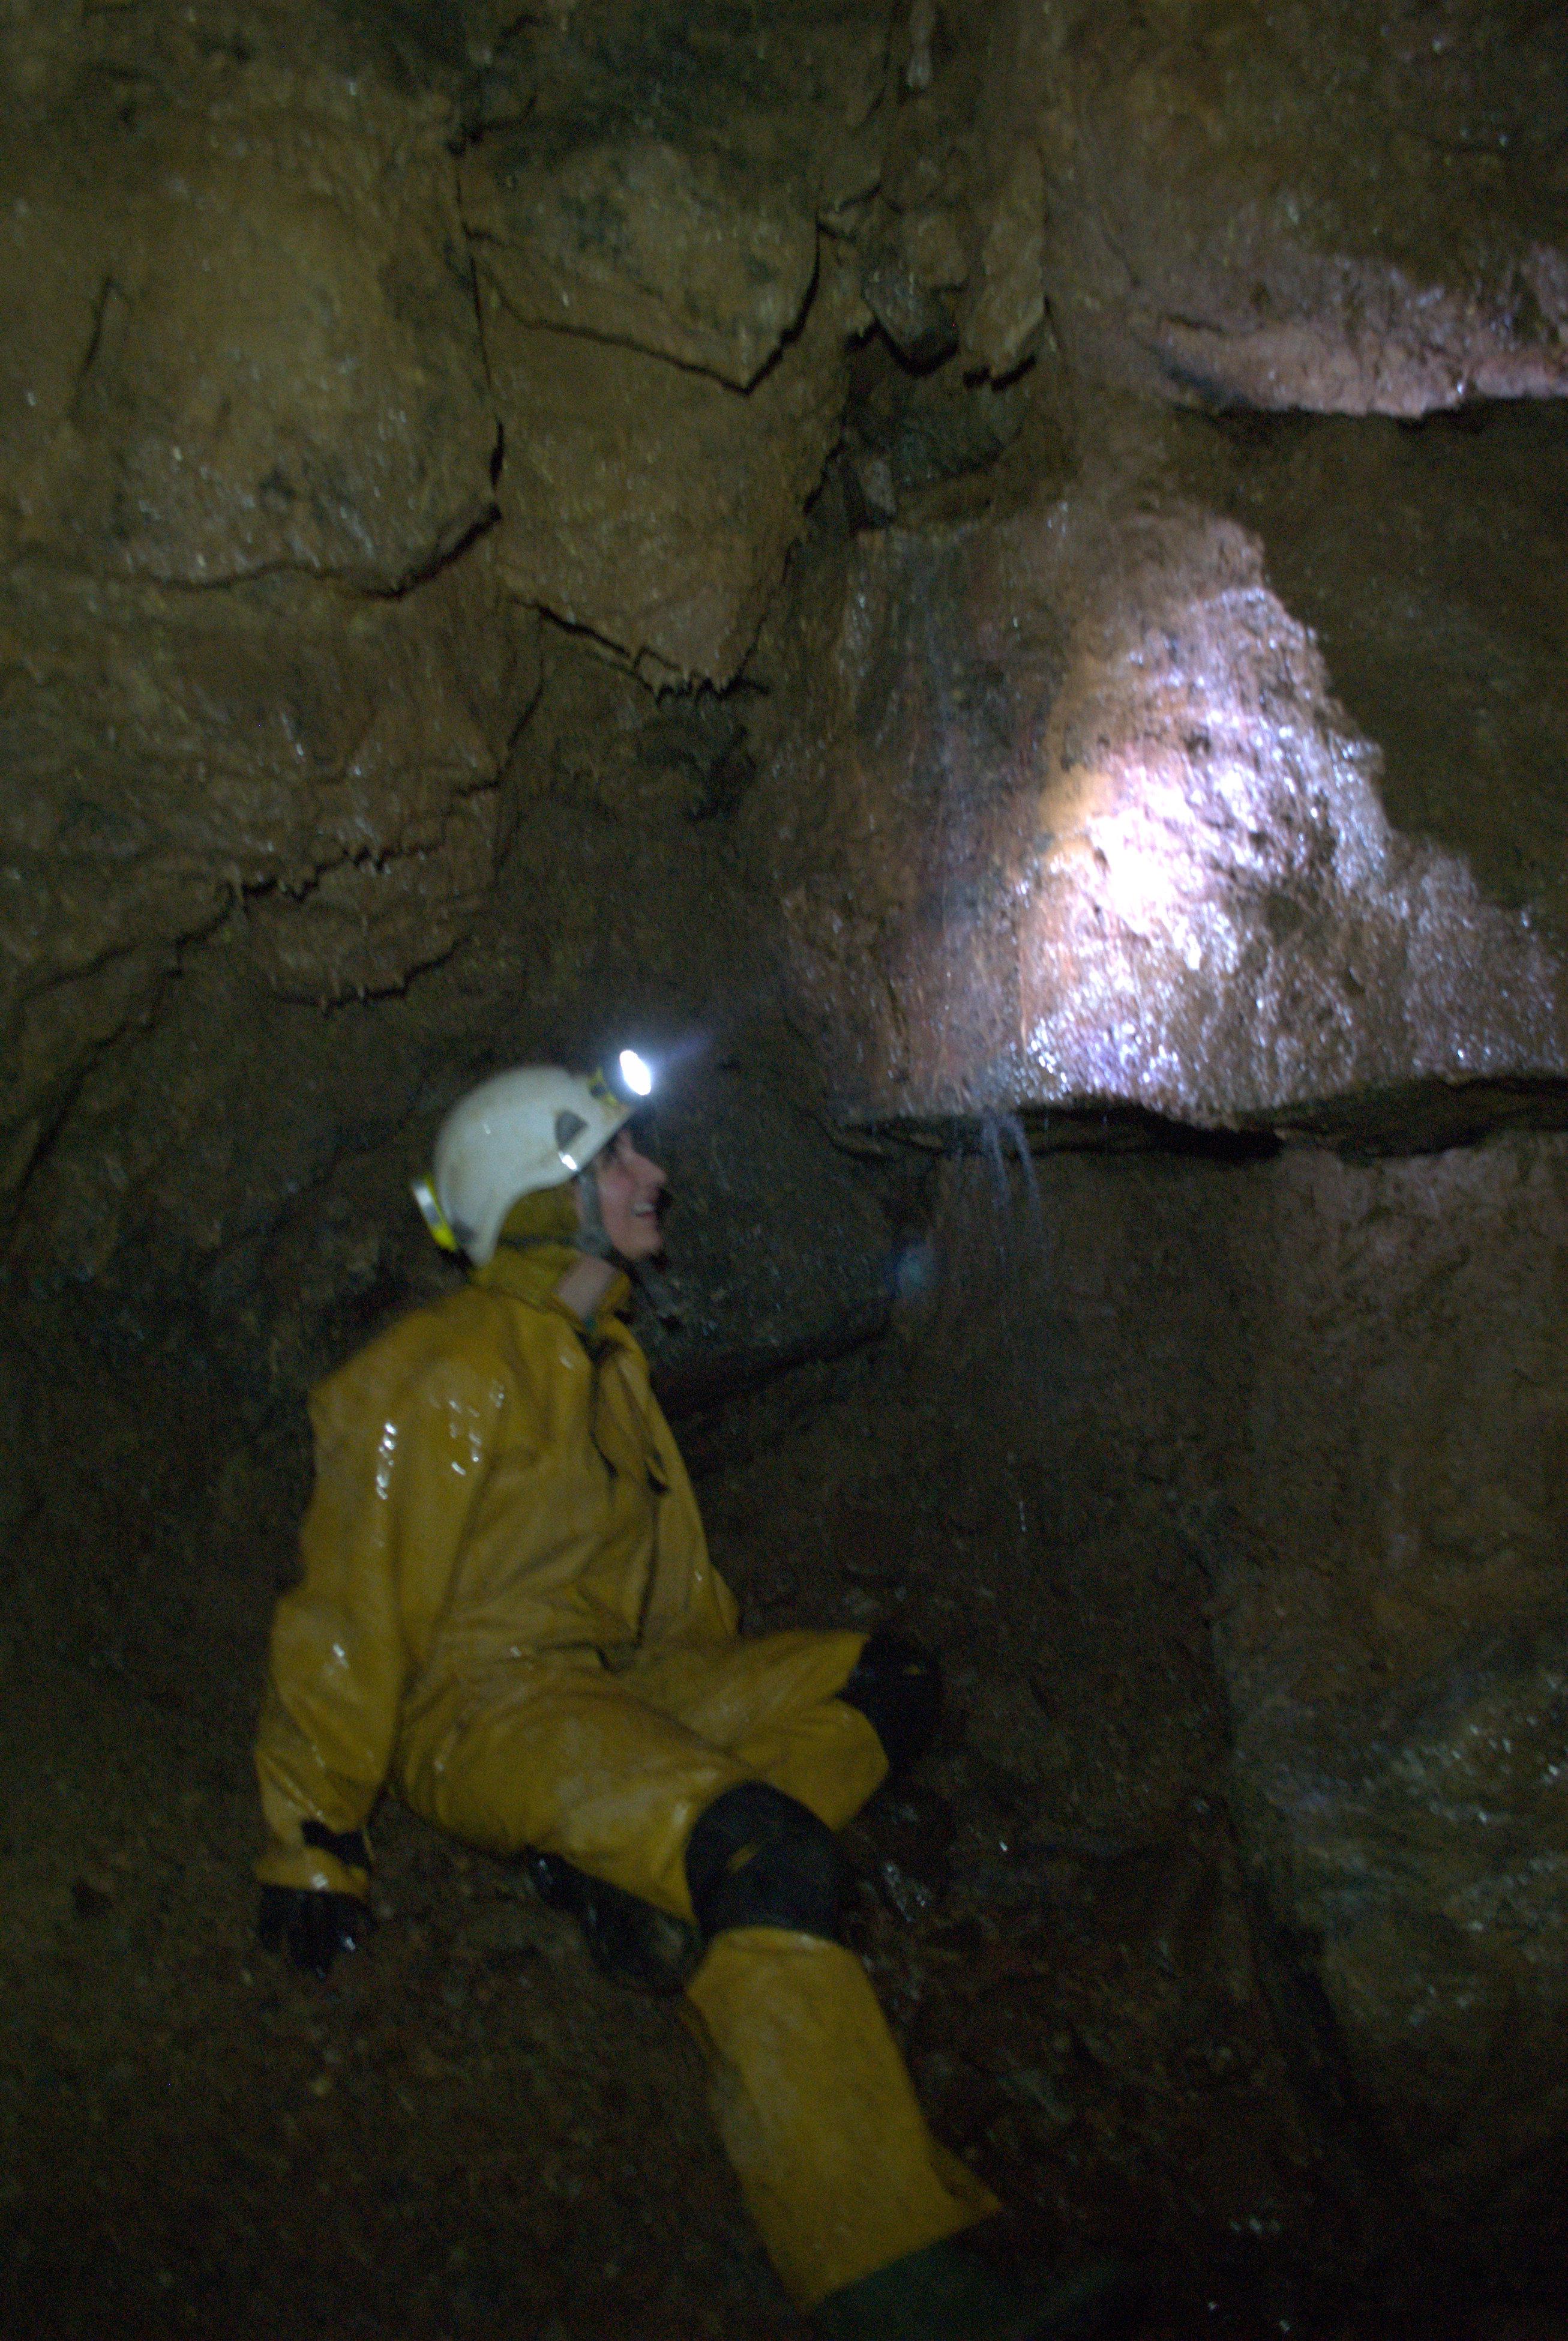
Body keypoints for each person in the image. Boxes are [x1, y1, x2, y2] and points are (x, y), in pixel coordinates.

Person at [253, 1059, 1131, 2339]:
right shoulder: (438, 1370)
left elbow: (668, 1596)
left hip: (619, 1688)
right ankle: (888, 2278)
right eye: (612, 1160)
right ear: (536, 1197)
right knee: (767, 1855)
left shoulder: (605, 1365)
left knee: (887, 1678)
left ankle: (662, 1882)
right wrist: (312, 1836)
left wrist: (706, 1716)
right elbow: (348, 1608)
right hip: (484, 1713)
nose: (650, 1175)